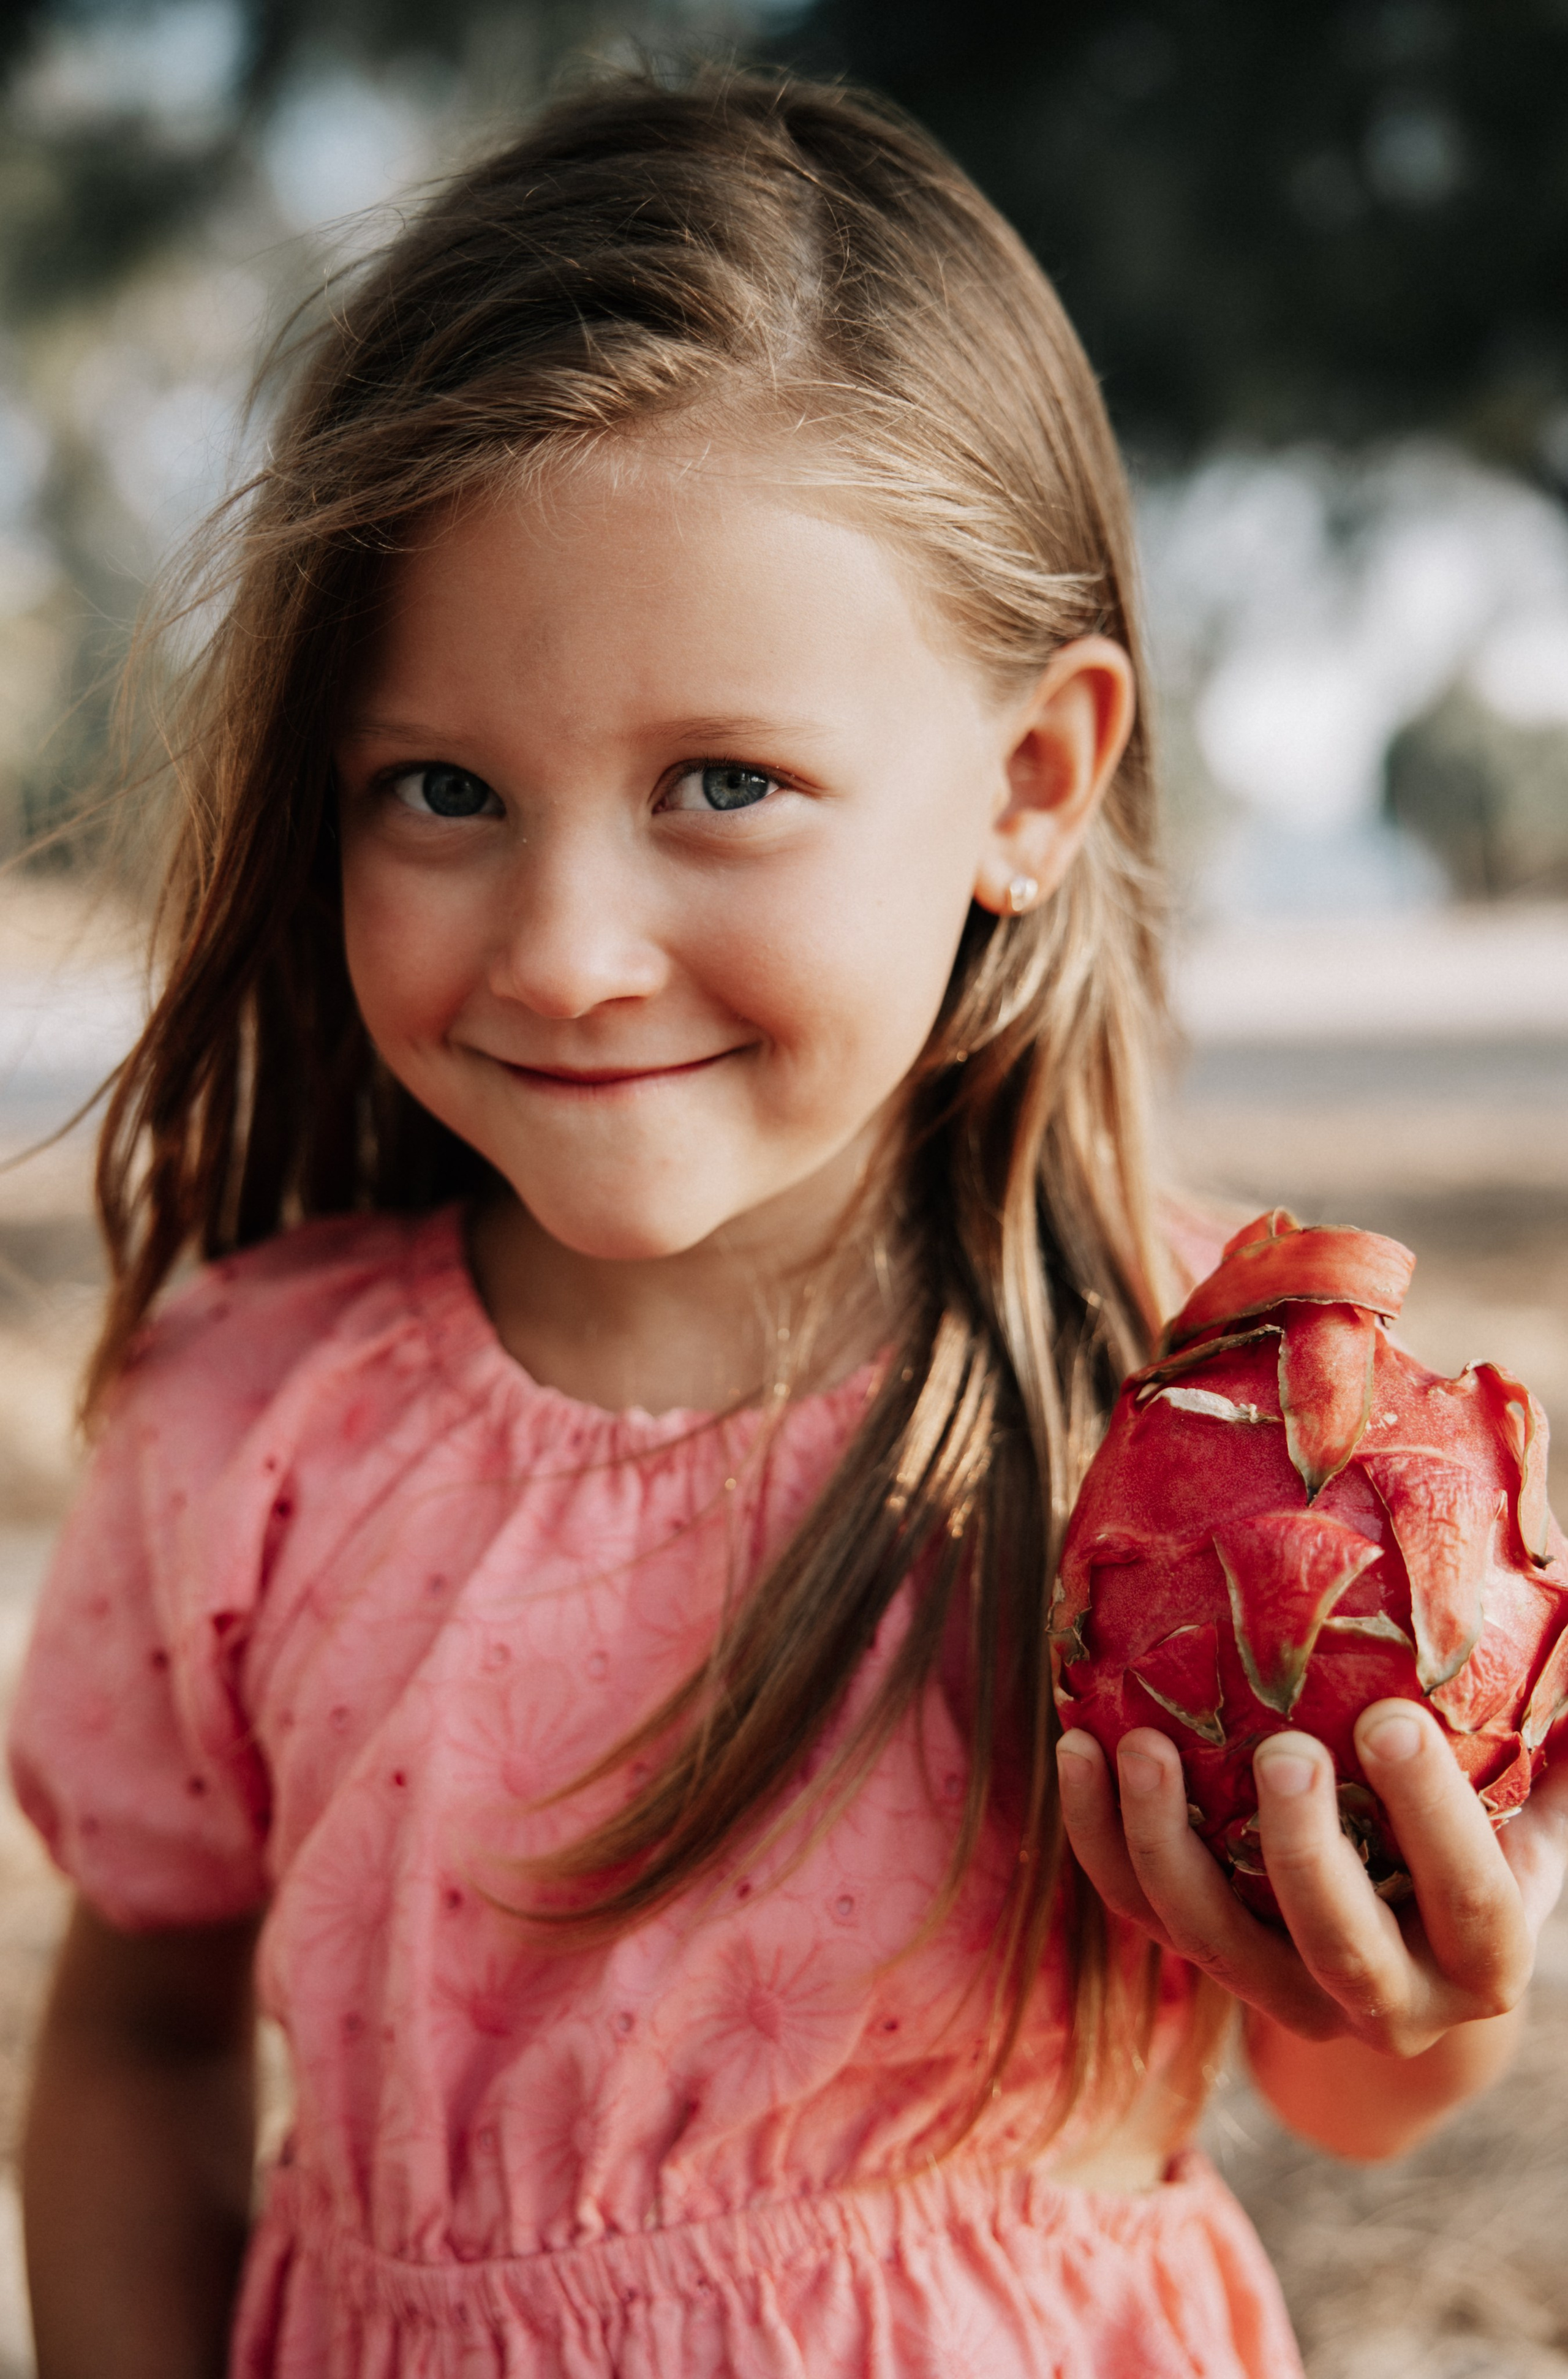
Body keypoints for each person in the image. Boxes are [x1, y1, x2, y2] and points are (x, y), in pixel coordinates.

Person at [9, 68, 1566, 2379]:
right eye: (440, 789)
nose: (559, 946)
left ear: (1032, 783)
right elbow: (136, 2035)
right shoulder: (255, 1419)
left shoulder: (1221, 1422)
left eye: (719, 784)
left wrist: (1419, 1983)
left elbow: (1339, 2081)